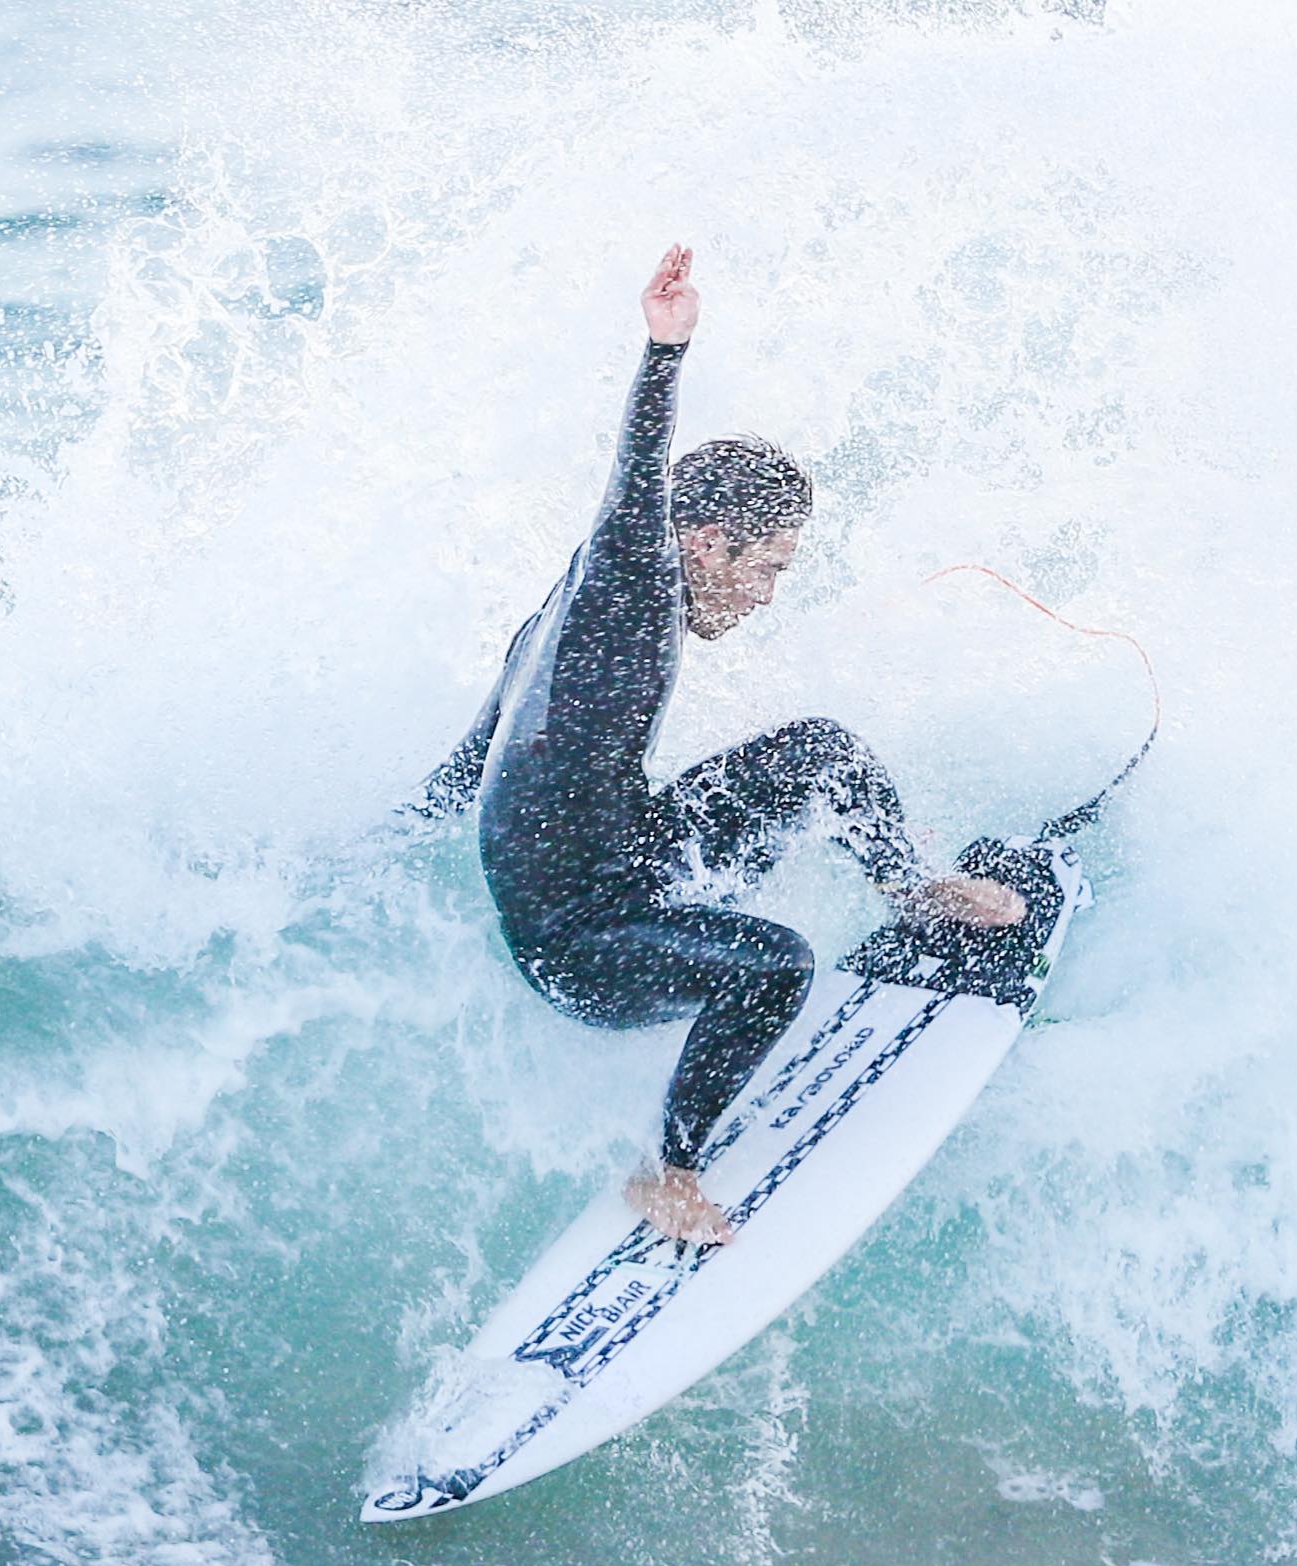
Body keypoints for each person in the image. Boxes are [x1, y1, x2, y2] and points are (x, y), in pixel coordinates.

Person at [421, 245, 1026, 1247]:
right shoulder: (627, 582)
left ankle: (912, 888)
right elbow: (635, 482)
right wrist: (666, 352)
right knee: (773, 965)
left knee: (823, 753)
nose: (768, 592)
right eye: (769, 566)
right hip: (582, 942)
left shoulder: (577, 603)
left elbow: (467, 764)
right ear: (705, 542)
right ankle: (666, 1171)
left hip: (625, 855)